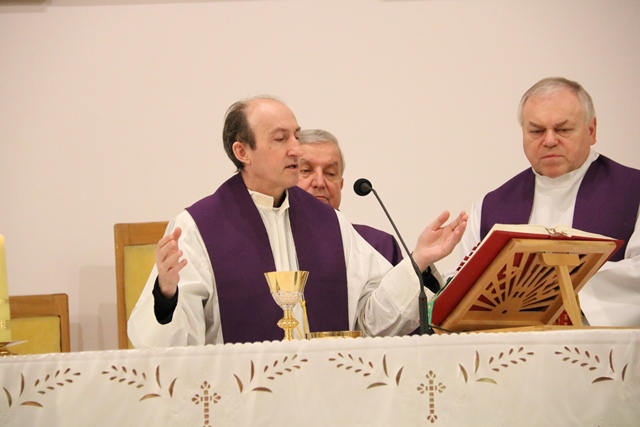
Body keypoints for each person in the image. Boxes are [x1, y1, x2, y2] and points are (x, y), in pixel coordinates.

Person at [128, 96, 468, 346]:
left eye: (296, 135)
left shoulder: (329, 224)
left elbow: (370, 323)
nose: (296, 148)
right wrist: (167, 293)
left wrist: (417, 261)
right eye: (280, 139)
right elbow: (170, 348)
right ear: (242, 152)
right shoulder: (199, 228)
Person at [453, 77, 640, 326]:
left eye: (563, 129)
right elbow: (467, 287)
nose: (549, 140)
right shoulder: (489, 208)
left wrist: (549, 284)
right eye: (536, 131)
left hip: (605, 345)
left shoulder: (632, 191)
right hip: (513, 345)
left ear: (591, 130)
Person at [297, 128, 442, 293]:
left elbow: (410, 304)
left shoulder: (378, 245)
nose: (320, 182)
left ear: (341, 185)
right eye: (306, 171)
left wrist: (420, 261)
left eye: (330, 173)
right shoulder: (274, 243)